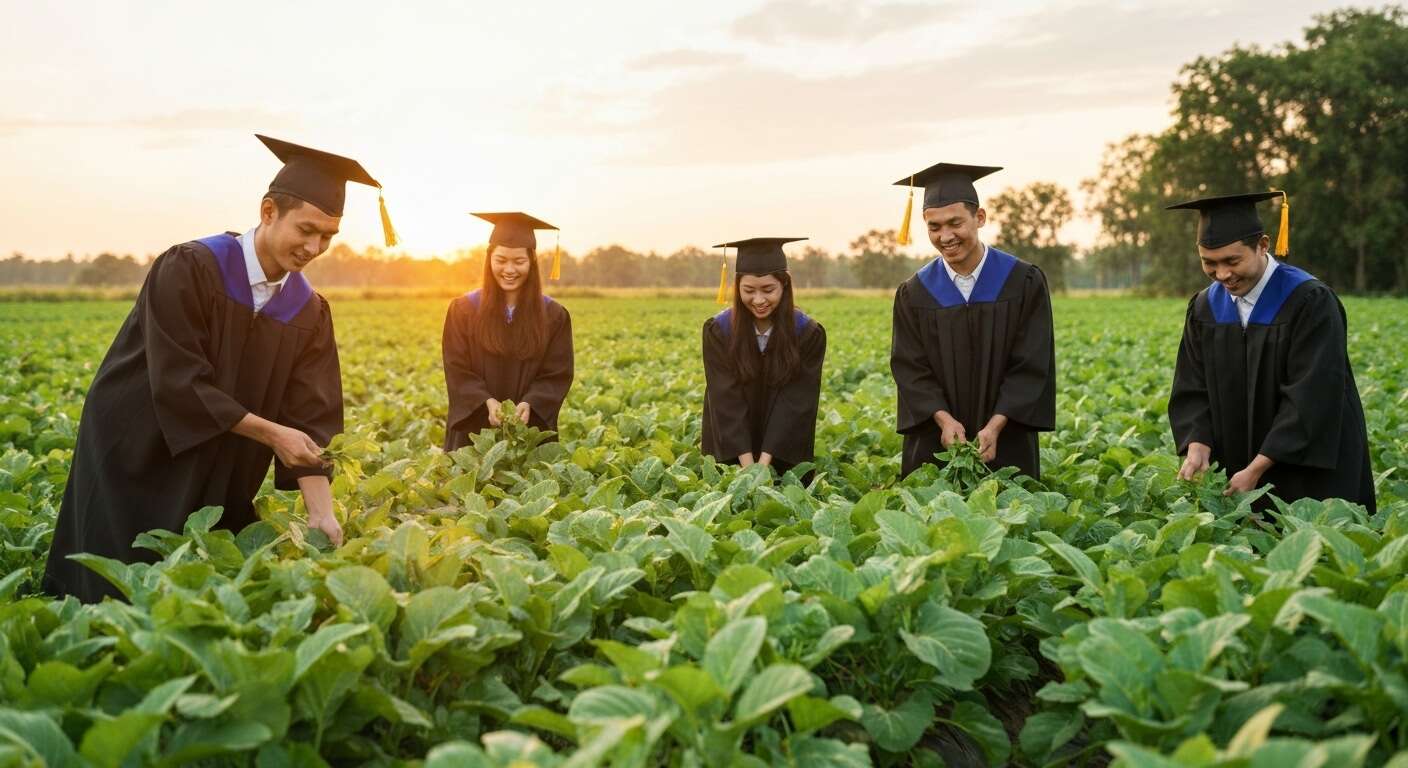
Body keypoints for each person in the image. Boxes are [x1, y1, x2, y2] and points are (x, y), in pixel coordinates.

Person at [43, 134, 390, 602]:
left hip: (225, 454)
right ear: (269, 211)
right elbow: (179, 382)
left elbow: (312, 416)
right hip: (138, 443)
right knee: (115, 577)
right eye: (306, 230)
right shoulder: (191, 267)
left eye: (328, 236)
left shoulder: (308, 311)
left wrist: (321, 512)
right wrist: (272, 434)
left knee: (197, 579)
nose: (314, 247)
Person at [1166, 191, 1374, 511]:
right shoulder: (1205, 308)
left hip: (1306, 472)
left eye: (1232, 261)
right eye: (1209, 263)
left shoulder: (1308, 301)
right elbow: (1192, 386)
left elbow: (1312, 395)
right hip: (1238, 473)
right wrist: (1197, 442)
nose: (1222, 275)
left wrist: (1257, 468)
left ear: (1263, 245)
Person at [890, 162, 1056, 479]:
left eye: (955, 223)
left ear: (979, 217)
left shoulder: (1022, 282)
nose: (945, 236)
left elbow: (1032, 362)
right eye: (934, 227)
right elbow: (910, 368)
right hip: (935, 442)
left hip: (1006, 440)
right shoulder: (915, 293)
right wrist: (943, 420)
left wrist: (996, 424)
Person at [442, 212, 573, 450]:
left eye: (519, 261)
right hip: (473, 436)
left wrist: (531, 403)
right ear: (489, 259)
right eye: (501, 260)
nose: (509, 269)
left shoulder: (553, 315)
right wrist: (484, 401)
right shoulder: (463, 310)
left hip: (527, 431)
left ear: (532, 261)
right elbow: (456, 369)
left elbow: (557, 373)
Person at [701, 237, 826, 475]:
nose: (759, 300)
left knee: (787, 488)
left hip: (784, 451)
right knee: (728, 488)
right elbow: (726, 399)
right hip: (732, 451)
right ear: (737, 287)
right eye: (749, 291)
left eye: (768, 290)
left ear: (785, 285)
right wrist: (749, 468)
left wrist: (764, 465)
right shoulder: (720, 331)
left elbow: (795, 401)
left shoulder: (807, 333)